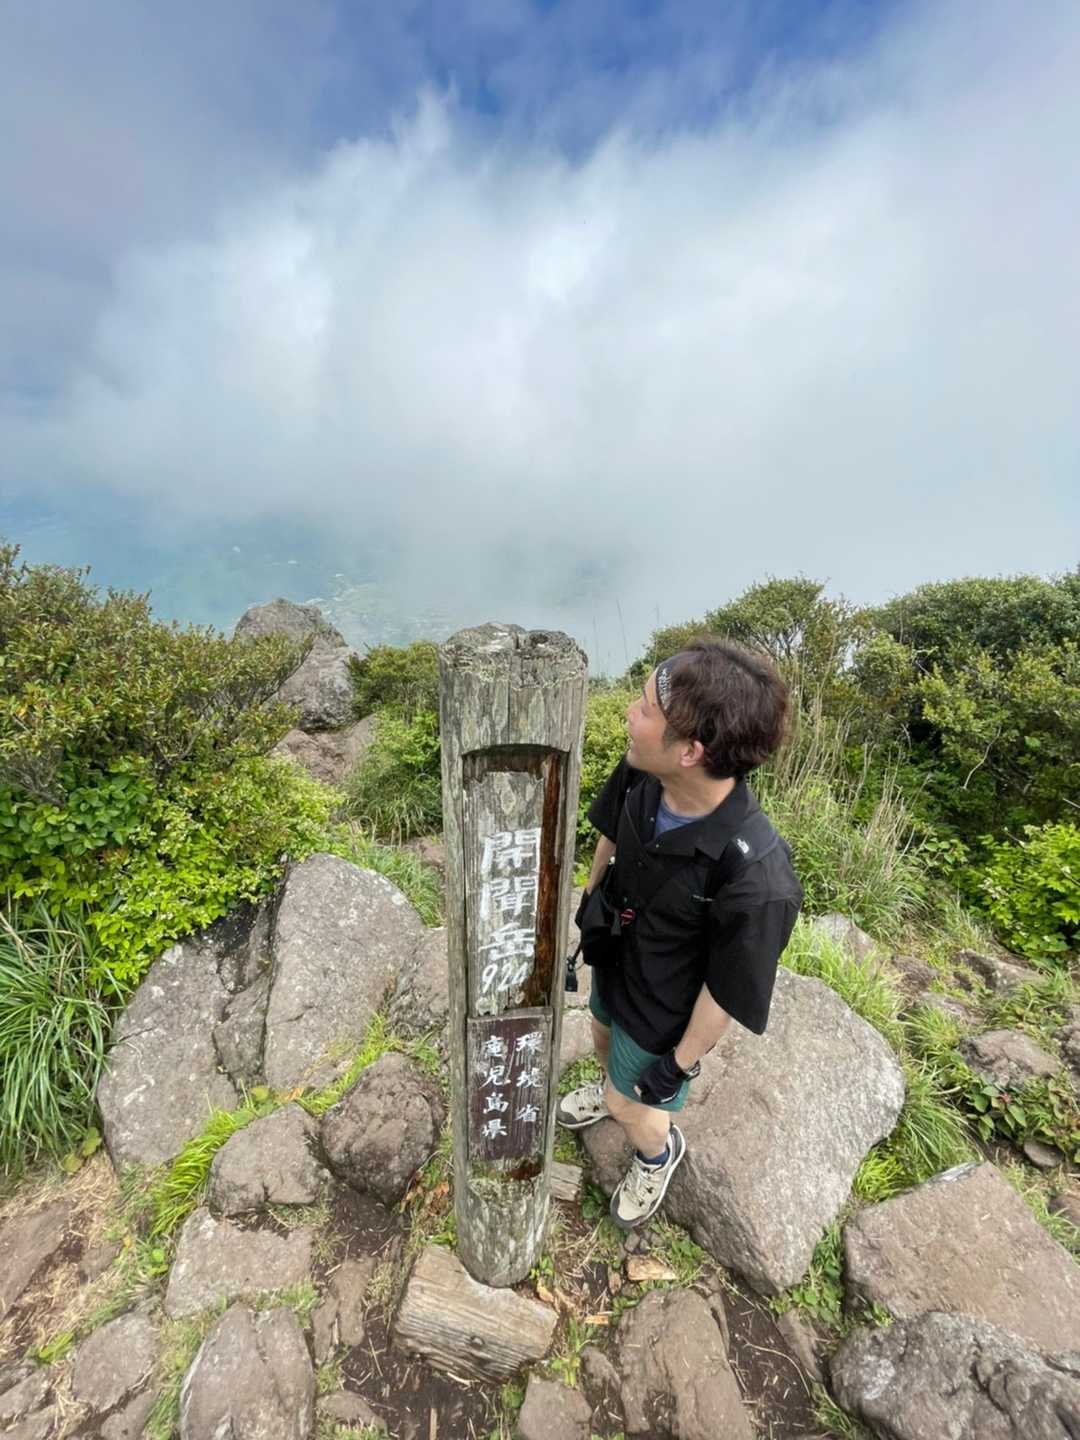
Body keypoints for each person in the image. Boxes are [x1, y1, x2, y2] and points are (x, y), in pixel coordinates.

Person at [557, 638, 803, 1229]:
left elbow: (728, 989)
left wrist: (678, 1064)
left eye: (644, 709)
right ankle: (611, 1086)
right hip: (615, 955)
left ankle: (656, 1153)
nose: (628, 714)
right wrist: (591, 897)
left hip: (665, 1008)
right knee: (599, 1032)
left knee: (632, 1106)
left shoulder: (756, 875)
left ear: (691, 751)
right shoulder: (643, 769)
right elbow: (611, 830)